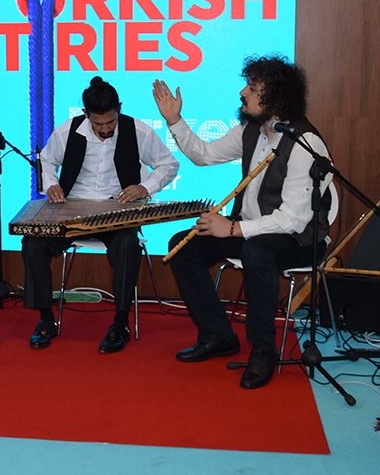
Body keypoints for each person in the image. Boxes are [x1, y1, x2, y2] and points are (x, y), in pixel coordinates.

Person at [154, 55, 332, 389]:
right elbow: (205, 155)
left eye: (251, 87)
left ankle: (263, 350)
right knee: (183, 246)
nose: (242, 92)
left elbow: (293, 219)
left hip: (299, 240)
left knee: (257, 252)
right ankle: (217, 335)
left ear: (275, 96)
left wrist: (234, 229)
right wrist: (174, 120)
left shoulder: (304, 143)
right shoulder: (253, 129)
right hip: (251, 231)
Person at [22, 77, 179, 353]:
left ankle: (120, 323)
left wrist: (145, 187)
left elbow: (169, 164)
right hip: (72, 210)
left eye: (111, 122)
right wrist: (52, 184)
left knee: (128, 245)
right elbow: (46, 160)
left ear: (119, 108)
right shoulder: (68, 131)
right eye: (98, 124)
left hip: (115, 210)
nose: (106, 129)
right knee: (33, 242)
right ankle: (45, 319)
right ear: (86, 114)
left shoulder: (137, 130)